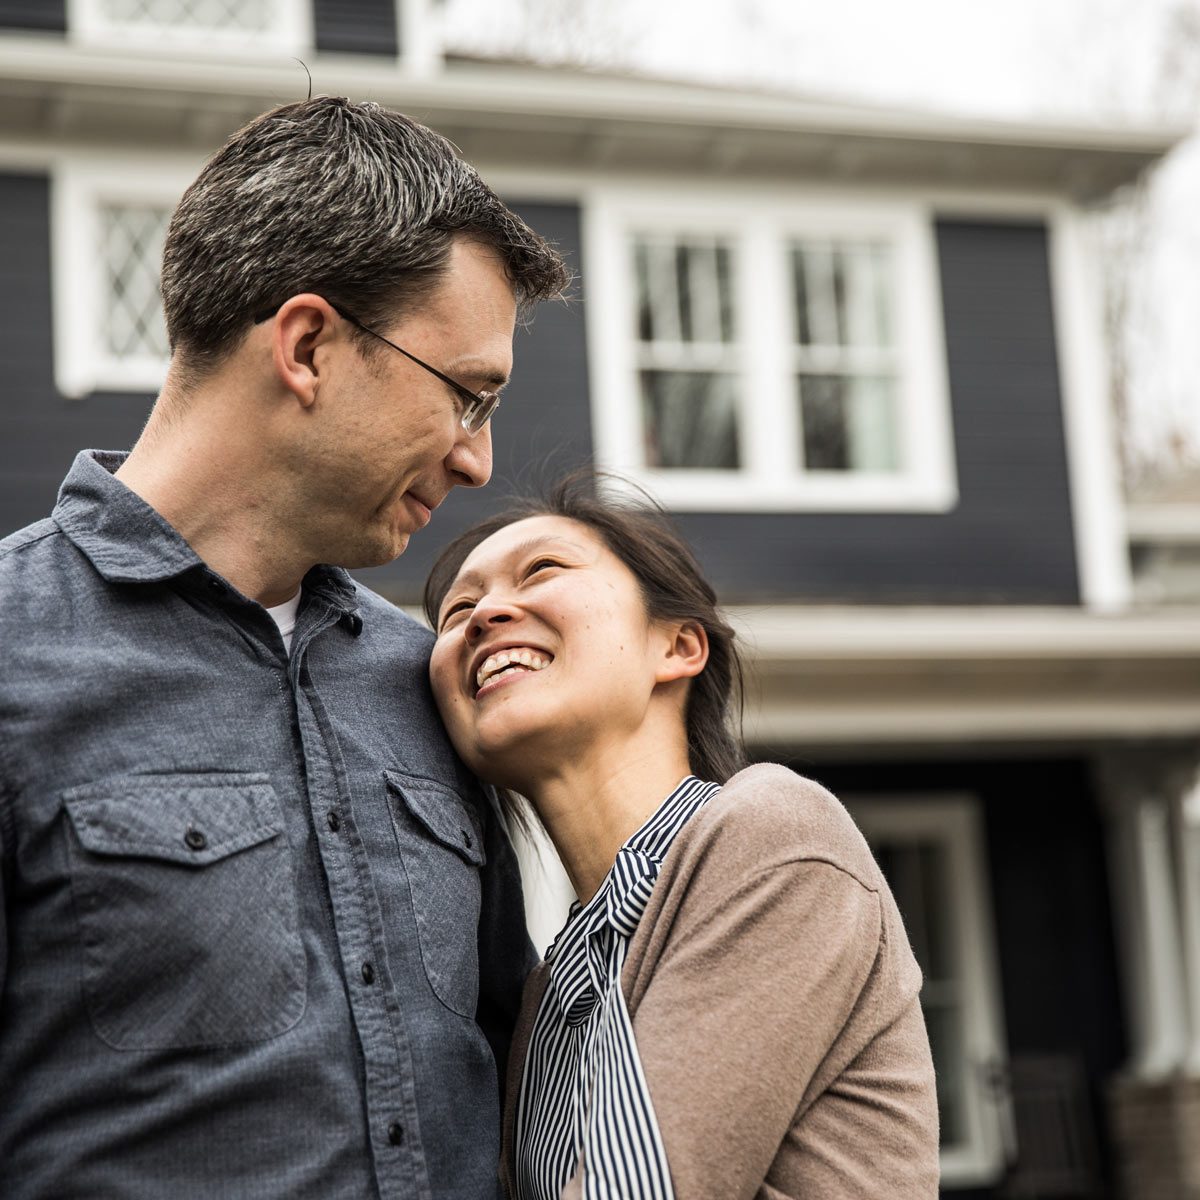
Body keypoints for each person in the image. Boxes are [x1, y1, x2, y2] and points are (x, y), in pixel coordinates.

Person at [0, 97, 568, 1199]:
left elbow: (518, 1077)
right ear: (308, 346)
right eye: (466, 397)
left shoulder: (431, 681)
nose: (478, 462)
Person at [424, 477, 941, 1200]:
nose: (485, 615)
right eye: (456, 610)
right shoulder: (547, 994)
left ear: (679, 645)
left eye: (542, 570)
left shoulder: (776, 836)